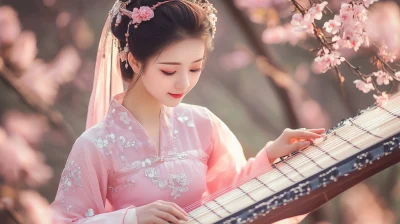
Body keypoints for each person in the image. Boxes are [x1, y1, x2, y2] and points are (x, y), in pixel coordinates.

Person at [50, 0, 325, 223]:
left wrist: (270, 155)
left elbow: (233, 191)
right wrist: (131, 219)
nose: (184, 83)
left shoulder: (201, 123)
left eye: (195, 68)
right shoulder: (96, 145)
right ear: (134, 60)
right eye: (169, 70)